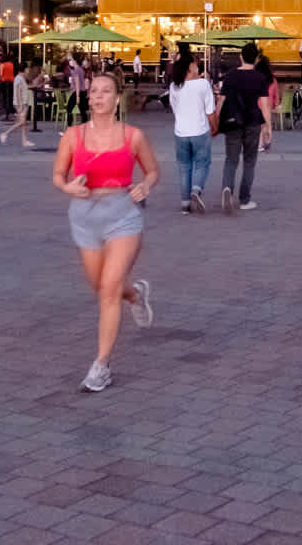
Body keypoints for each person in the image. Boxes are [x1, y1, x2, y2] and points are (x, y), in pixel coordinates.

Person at [52, 72, 159, 392]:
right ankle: (135, 294)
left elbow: (153, 171)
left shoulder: (133, 136)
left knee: (109, 290)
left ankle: (101, 366)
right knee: (101, 287)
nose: (98, 96)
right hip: (84, 215)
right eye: (94, 91)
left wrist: (145, 185)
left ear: (117, 98)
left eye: (105, 91)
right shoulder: (73, 136)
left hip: (122, 214)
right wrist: (67, 187)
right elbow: (58, 174)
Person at [217, 43, 273, 213]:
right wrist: (268, 128)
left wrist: (216, 120)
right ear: (256, 59)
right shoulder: (260, 78)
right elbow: (265, 105)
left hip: (233, 122)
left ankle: (227, 188)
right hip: (253, 123)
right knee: (249, 161)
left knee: (231, 160)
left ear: (240, 57)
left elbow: (221, 100)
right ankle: (244, 199)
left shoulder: (230, 75)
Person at [168, 52, 216, 214]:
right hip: (200, 130)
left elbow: (174, 109)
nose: (198, 67)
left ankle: (185, 203)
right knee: (202, 163)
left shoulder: (174, 86)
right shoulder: (203, 84)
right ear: (190, 67)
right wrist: (215, 127)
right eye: (195, 64)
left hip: (180, 132)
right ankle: (196, 189)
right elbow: (210, 111)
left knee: (184, 167)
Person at [0, 64, 38, 148]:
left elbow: (24, 88)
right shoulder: (19, 78)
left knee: (23, 123)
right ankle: (5, 133)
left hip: (23, 103)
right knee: (21, 122)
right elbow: (17, 92)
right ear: (24, 69)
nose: (28, 70)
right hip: (20, 103)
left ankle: (24, 141)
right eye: (27, 69)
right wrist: (20, 106)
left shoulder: (21, 78)